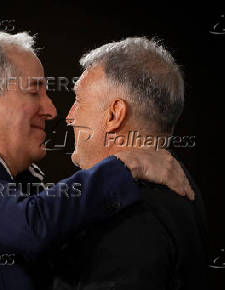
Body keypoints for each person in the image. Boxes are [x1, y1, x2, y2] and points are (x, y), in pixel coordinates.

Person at [0, 31, 194, 290]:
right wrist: (127, 163)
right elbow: (30, 226)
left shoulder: (14, 180)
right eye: (34, 90)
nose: (52, 110)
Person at [52, 37, 208, 290]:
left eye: (79, 100)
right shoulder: (180, 186)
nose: (69, 116)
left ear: (114, 114)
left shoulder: (127, 211)